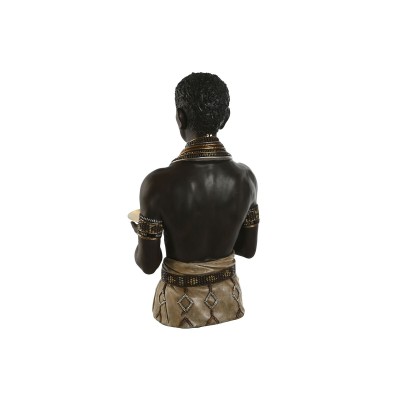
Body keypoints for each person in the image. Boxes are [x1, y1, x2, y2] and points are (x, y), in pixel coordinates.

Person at [131, 72, 259, 328]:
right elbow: (247, 250)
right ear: (225, 117)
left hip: (177, 314)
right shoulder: (246, 178)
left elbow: (148, 264)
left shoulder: (157, 184)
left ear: (180, 117)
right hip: (230, 307)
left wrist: (142, 232)